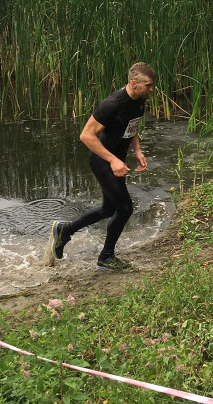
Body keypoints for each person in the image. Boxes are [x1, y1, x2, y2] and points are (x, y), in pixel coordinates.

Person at [48, 62, 156, 270]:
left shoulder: (140, 100)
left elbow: (131, 126)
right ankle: (105, 256)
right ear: (134, 83)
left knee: (109, 208)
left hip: (116, 160)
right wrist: (113, 160)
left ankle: (65, 230)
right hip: (102, 160)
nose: (152, 89)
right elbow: (86, 135)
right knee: (124, 208)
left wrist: (137, 150)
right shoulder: (112, 104)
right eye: (148, 85)